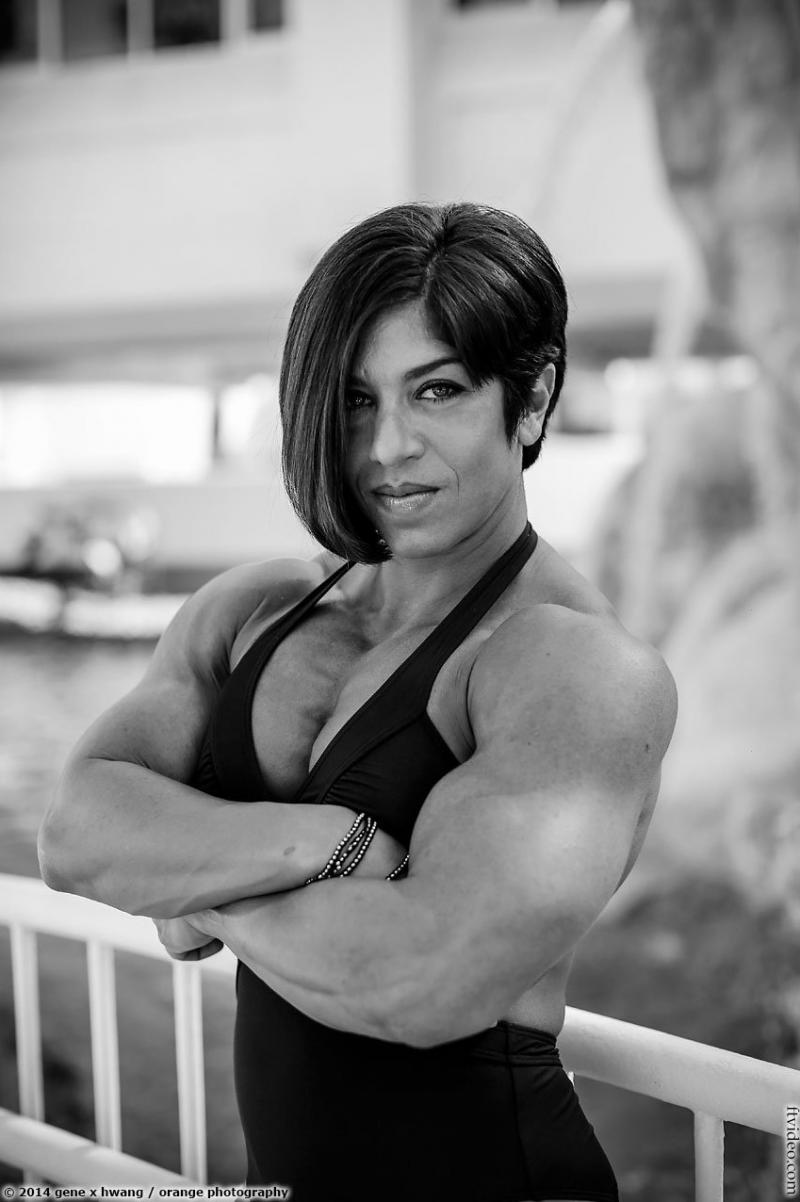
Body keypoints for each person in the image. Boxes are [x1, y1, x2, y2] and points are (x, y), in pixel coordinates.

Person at [39, 201, 677, 1202]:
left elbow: (418, 980)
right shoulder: (254, 609)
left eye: (437, 391)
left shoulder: (574, 666)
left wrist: (186, 881)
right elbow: (75, 834)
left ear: (531, 398)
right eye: (353, 400)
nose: (387, 447)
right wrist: (329, 841)